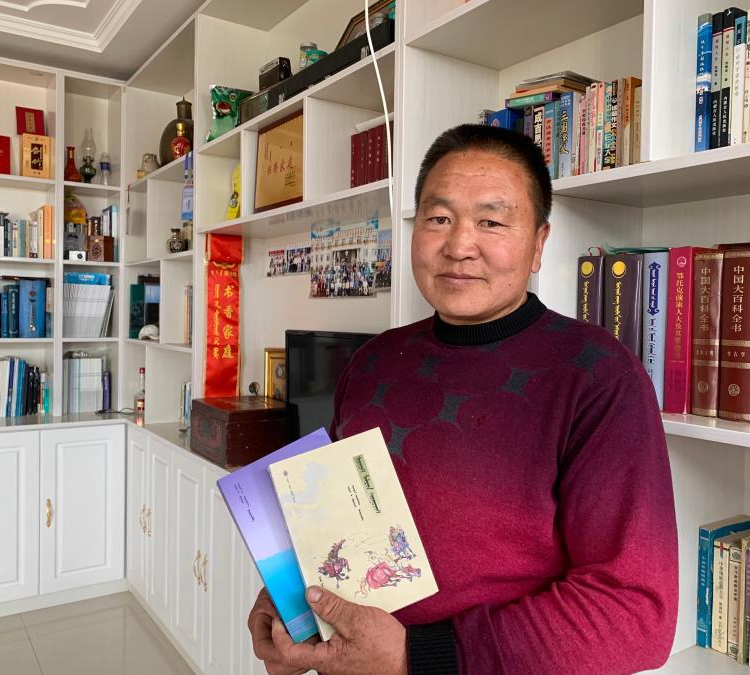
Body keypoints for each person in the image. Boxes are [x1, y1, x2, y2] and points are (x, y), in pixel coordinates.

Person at [248, 124, 678, 674]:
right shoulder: (373, 361)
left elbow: (633, 613)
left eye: (491, 221)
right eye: (438, 218)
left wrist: (415, 657)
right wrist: (292, 607)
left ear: (538, 243)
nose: (458, 246)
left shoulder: (598, 376)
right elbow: (330, 526)